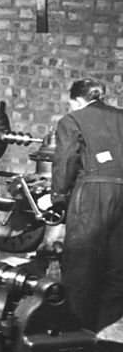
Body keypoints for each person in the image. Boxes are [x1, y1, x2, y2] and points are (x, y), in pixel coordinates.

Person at [51, 78, 123, 332]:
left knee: (81, 264)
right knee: (117, 268)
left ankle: (75, 332)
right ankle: (106, 334)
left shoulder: (72, 120)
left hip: (93, 194)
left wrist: (58, 200)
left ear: (77, 100)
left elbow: (66, 162)